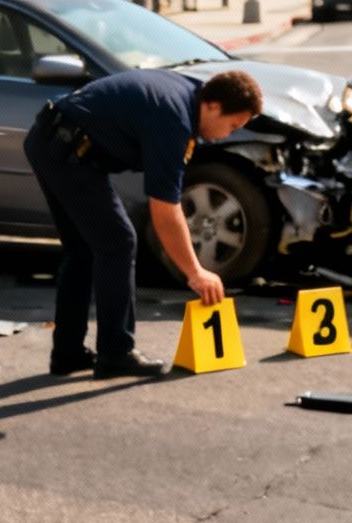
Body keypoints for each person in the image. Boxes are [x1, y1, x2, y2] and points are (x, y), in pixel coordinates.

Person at [23, 67, 262, 378]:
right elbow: (165, 212)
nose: (229, 134)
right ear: (214, 106)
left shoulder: (192, 93)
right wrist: (195, 272)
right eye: (232, 125)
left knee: (83, 249)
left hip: (53, 141)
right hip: (66, 151)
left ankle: (68, 353)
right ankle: (116, 353)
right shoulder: (173, 120)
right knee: (119, 243)